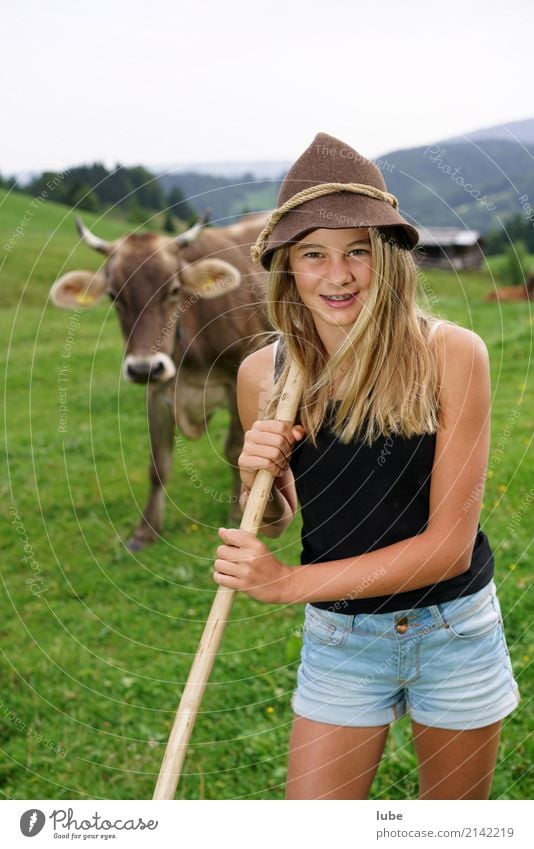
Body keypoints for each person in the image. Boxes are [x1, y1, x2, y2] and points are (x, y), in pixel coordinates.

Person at [212, 132, 520, 800]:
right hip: (341, 639)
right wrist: (253, 478)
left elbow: (448, 548)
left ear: (389, 256)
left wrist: (289, 582)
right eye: (313, 254)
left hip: (453, 627)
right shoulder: (261, 373)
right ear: (288, 267)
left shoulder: (451, 355)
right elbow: (274, 515)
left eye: (358, 250)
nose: (339, 274)